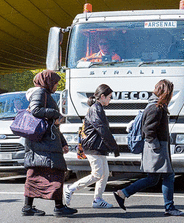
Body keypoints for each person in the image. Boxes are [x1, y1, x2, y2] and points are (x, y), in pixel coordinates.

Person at [113, 79, 184, 217]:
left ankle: (122, 193)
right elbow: (148, 130)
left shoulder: (156, 106)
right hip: (156, 149)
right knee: (168, 176)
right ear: (166, 92)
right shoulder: (156, 108)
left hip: (157, 148)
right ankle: (169, 207)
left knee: (153, 178)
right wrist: (157, 147)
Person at [22, 70, 77, 216]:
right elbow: (35, 110)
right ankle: (58, 207)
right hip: (43, 144)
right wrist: (55, 113)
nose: (57, 85)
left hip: (45, 143)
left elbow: (53, 125)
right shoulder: (40, 93)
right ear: (48, 82)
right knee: (55, 172)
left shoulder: (45, 94)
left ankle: (28, 207)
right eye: (56, 82)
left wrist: (63, 142)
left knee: (37, 174)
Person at [64, 84, 120, 208]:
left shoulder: (97, 108)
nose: (110, 99)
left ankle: (97, 200)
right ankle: (70, 188)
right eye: (109, 97)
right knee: (97, 174)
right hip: (93, 147)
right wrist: (113, 146)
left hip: (96, 146)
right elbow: (102, 129)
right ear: (102, 96)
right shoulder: (96, 108)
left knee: (104, 173)